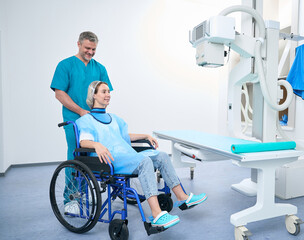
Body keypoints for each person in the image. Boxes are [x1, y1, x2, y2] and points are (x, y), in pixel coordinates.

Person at [75, 81, 207, 229]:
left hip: (127, 156)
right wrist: (96, 145)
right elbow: (84, 142)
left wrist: (145, 135)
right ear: (94, 95)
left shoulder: (114, 119)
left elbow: (124, 137)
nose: (108, 95)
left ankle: (183, 198)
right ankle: (157, 215)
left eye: (108, 92)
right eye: (104, 92)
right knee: (145, 162)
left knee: (162, 156)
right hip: (110, 160)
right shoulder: (86, 120)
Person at [50, 31, 113, 204]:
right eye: (87, 48)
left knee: (92, 158)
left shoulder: (99, 68)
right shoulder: (65, 65)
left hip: (95, 121)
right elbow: (59, 93)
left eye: (93, 49)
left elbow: (105, 94)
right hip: (74, 121)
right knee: (76, 158)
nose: (90, 52)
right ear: (78, 44)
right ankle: (71, 199)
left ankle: (85, 196)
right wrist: (80, 111)